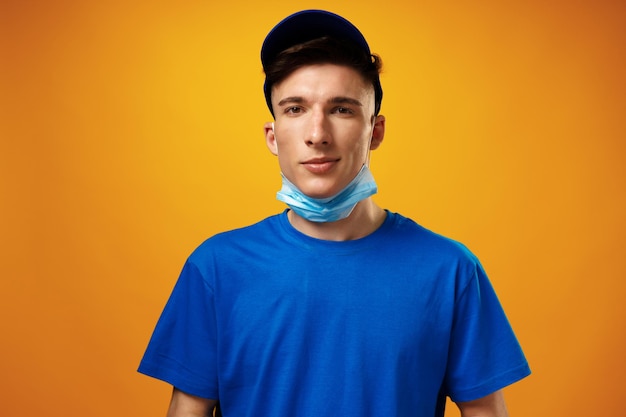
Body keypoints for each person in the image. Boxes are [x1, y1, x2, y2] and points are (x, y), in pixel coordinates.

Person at [138, 9, 530, 417]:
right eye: (295, 109)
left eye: (341, 109)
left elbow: (485, 410)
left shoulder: (450, 271)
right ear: (273, 136)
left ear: (375, 130)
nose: (317, 134)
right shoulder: (216, 268)